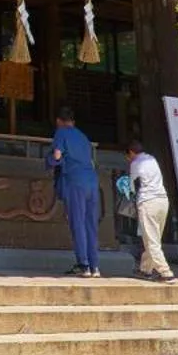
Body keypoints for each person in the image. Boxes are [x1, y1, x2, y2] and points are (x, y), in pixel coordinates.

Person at [46, 110, 100, 277]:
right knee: (90, 224)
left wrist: (51, 161)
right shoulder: (83, 136)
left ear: (58, 121)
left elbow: (57, 154)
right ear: (73, 122)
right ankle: (95, 266)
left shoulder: (61, 133)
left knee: (77, 223)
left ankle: (83, 264)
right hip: (92, 181)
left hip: (75, 181)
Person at [126, 137, 175, 282]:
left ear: (131, 152)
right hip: (162, 200)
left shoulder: (135, 163)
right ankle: (145, 269)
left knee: (151, 240)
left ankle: (165, 272)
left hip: (148, 202)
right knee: (154, 238)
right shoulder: (152, 159)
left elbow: (132, 185)